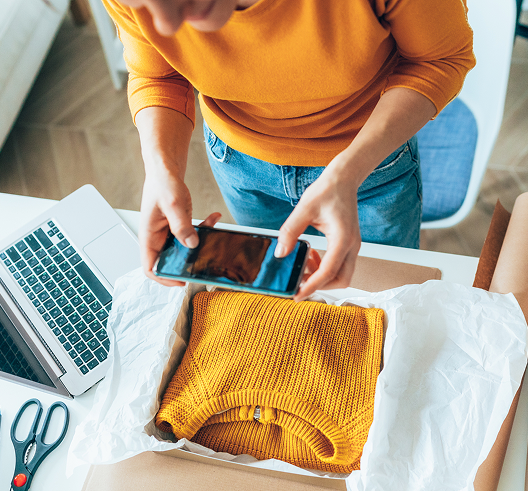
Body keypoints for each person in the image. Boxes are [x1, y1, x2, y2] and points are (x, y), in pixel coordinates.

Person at [101, 0, 475, 300]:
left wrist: (348, 171)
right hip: (238, 164)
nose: (165, 26)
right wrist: (161, 168)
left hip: (371, 169)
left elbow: (439, 59)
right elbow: (158, 74)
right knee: (276, 288)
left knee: (384, 299)